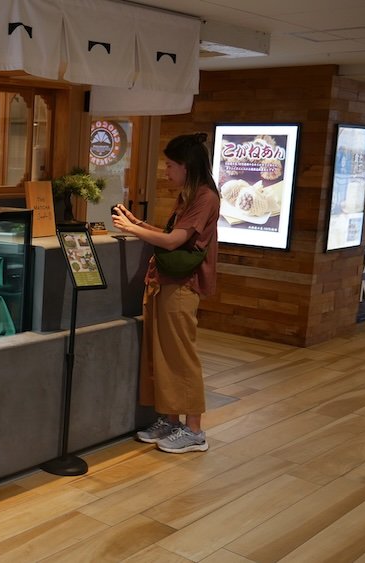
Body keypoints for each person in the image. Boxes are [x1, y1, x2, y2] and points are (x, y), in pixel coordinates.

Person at [111, 132, 220, 454]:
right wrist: (138, 222)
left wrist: (132, 229)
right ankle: (171, 420)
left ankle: (195, 430)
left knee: (181, 355)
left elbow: (174, 243)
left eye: (170, 165)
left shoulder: (205, 197)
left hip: (183, 285)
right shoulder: (189, 195)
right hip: (166, 282)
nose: (167, 172)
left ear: (186, 166)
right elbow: (173, 235)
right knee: (162, 354)